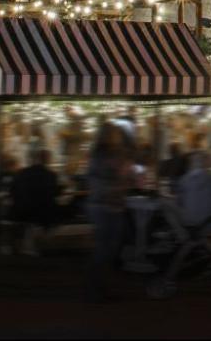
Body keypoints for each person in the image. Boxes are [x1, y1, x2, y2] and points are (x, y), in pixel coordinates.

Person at [85, 122, 132, 300]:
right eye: (114, 133)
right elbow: (100, 179)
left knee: (110, 248)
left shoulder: (115, 154)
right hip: (103, 205)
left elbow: (122, 175)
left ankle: (100, 285)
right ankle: (95, 287)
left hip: (113, 205)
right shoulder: (100, 155)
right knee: (104, 248)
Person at [9, 148, 62, 255]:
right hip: (43, 214)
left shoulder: (22, 173)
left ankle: (29, 247)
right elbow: (55, 193)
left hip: (21, 211)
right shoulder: (51, 175)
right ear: (48, 160)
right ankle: (43, 246)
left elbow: (12, 191)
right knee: (58, 214)